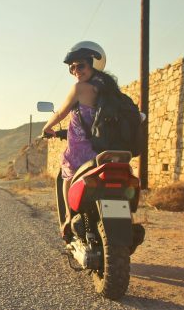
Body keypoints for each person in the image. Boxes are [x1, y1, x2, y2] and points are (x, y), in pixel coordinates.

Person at [41, 41, 121, 241]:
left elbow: (61, 112)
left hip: (83, 154)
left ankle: (69, 218)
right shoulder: (110, 90)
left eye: (81, 65)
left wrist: (47, 127)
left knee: (67, 173)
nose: (76, 70)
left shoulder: (80, 88)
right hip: (107, 152)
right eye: (72, 67)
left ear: (93, 64)